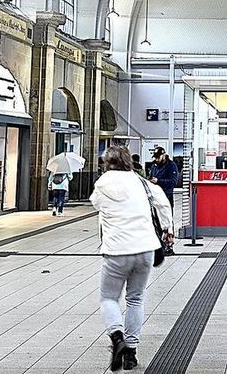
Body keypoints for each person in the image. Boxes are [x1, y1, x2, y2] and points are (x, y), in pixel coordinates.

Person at [92, 145, 173, 371]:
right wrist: (168, 228)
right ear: (129, 161)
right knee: (135, 298)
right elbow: (163, 203)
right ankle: (131, 353)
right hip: (145, 248)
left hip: (116, 250)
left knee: (109, 298)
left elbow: (96, 204)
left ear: (107, 163)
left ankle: (117, 337)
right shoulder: (142, 183)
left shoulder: (101, 184)